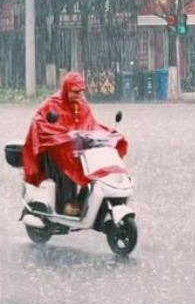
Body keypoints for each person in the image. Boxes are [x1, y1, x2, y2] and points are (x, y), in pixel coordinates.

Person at [21, 71, 128, 216]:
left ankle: (82, 201)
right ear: (66, 90)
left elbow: (91, 126)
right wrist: (62, 138)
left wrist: (108, 135)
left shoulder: (82, 106)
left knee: (98, 168)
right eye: (75, 92)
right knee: (66, 168)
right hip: (51, 154)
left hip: (76, 151)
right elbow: (41, 127)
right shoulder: (52, 105)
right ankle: (66, 204)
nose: (79, 96)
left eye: (81, 92)